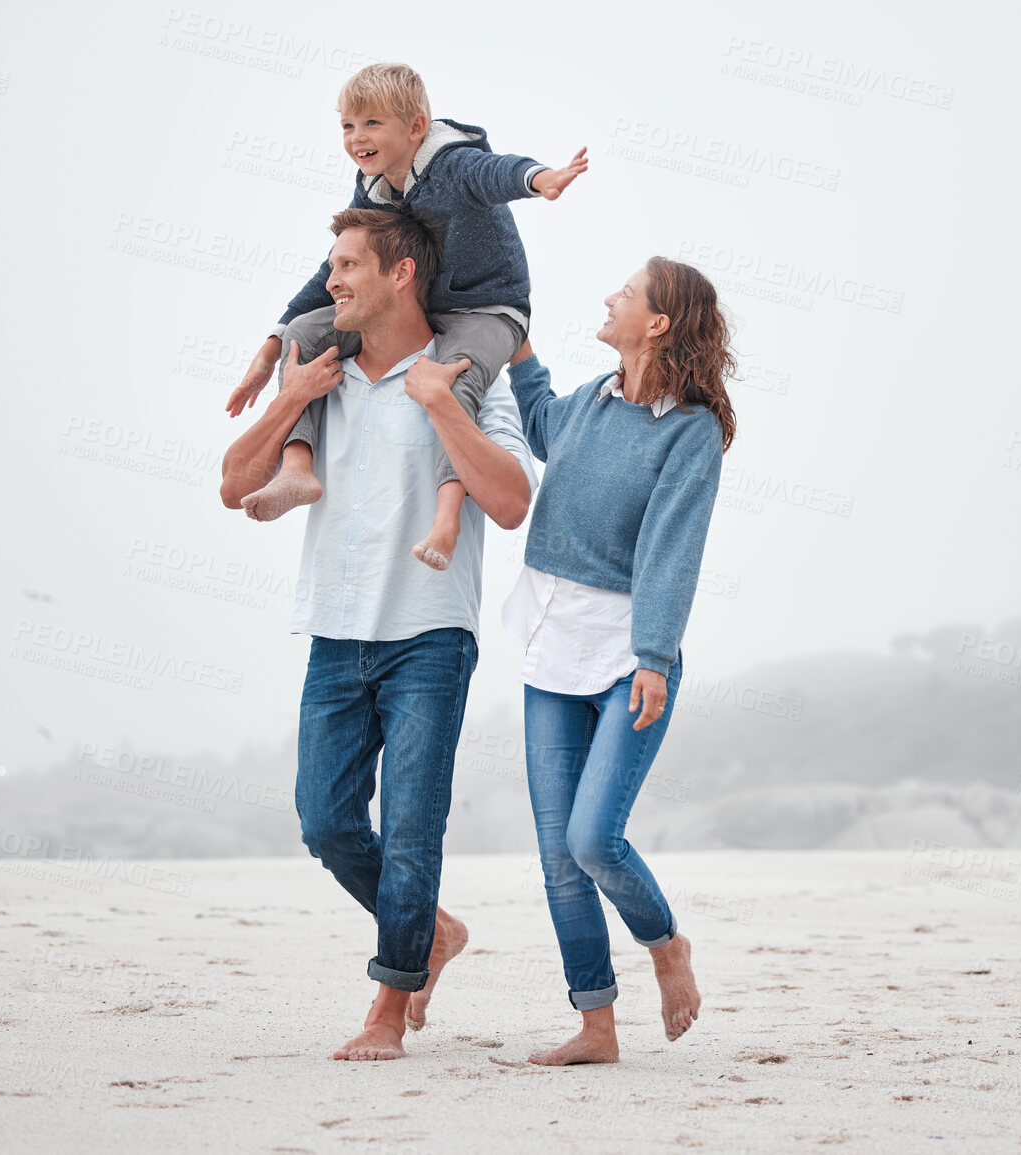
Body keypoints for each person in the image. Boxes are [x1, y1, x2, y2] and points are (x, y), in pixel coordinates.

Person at [218, 206, 538, 1062]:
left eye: (348, 264)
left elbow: (510, 503)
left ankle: (387, 1009)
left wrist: (442, 406)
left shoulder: (470, 372)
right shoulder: (320, 372)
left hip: (428, 633)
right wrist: (289, 394)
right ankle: (430, 931)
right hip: (333, 629)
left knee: (409, 829)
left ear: (401, 273)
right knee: (324, 821)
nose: (331, 281)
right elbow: (230, 485)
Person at [501, 257, 737, 1065]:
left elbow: (673, 549)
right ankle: (595, 1026)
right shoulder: (590, 404)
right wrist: (517, 346)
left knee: (594, 838)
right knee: (558, 857)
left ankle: (665, 943)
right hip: (551, 647)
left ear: (659, 322)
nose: (608, 297)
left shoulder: (689, 430)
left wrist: (653, 656)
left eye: (625, 293)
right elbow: (538, 424)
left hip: (629, 658)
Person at [225, 61, 585, 573]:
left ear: (415, 127)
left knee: (450, 383)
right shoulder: (372, 187)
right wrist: (272, 342)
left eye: (372, 123)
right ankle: (297, 468)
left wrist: (539, 178)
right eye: (348, 125)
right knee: (306, 333)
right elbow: (334, 267)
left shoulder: (451, 164)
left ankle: (447, 516)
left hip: (488, 307)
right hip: (433, 305)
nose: (357, 137)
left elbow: (495, 172)